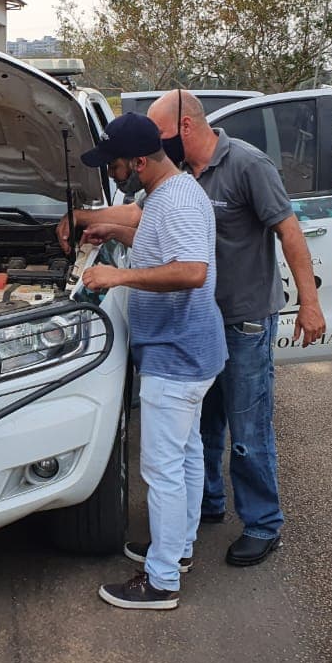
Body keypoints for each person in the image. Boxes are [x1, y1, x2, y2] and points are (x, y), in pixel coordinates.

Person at [62, 90, 325, 568]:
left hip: (240, 316)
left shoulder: (246, 165)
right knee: (200, 430)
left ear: (181, 130)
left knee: (247, 431)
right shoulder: (181, 184)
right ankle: (195, 515)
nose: (157, 147)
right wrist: (95, 222)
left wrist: (309, 303)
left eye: (160, 137)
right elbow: (147, 222)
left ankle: (263, 524)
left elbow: (288, 231)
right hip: (194, 318)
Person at [77, 113, 226, 610]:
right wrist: (114, 235)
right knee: (185, 457)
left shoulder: (179, 198)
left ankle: (161, 581)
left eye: (116, 166)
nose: (114, 174)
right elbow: (161, 247)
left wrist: (117, 279)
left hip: (177, 353)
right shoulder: (166, 194)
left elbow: (189, 270)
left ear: (140, 160)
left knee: (162, 468)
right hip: (189, 349)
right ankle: (176, 549)